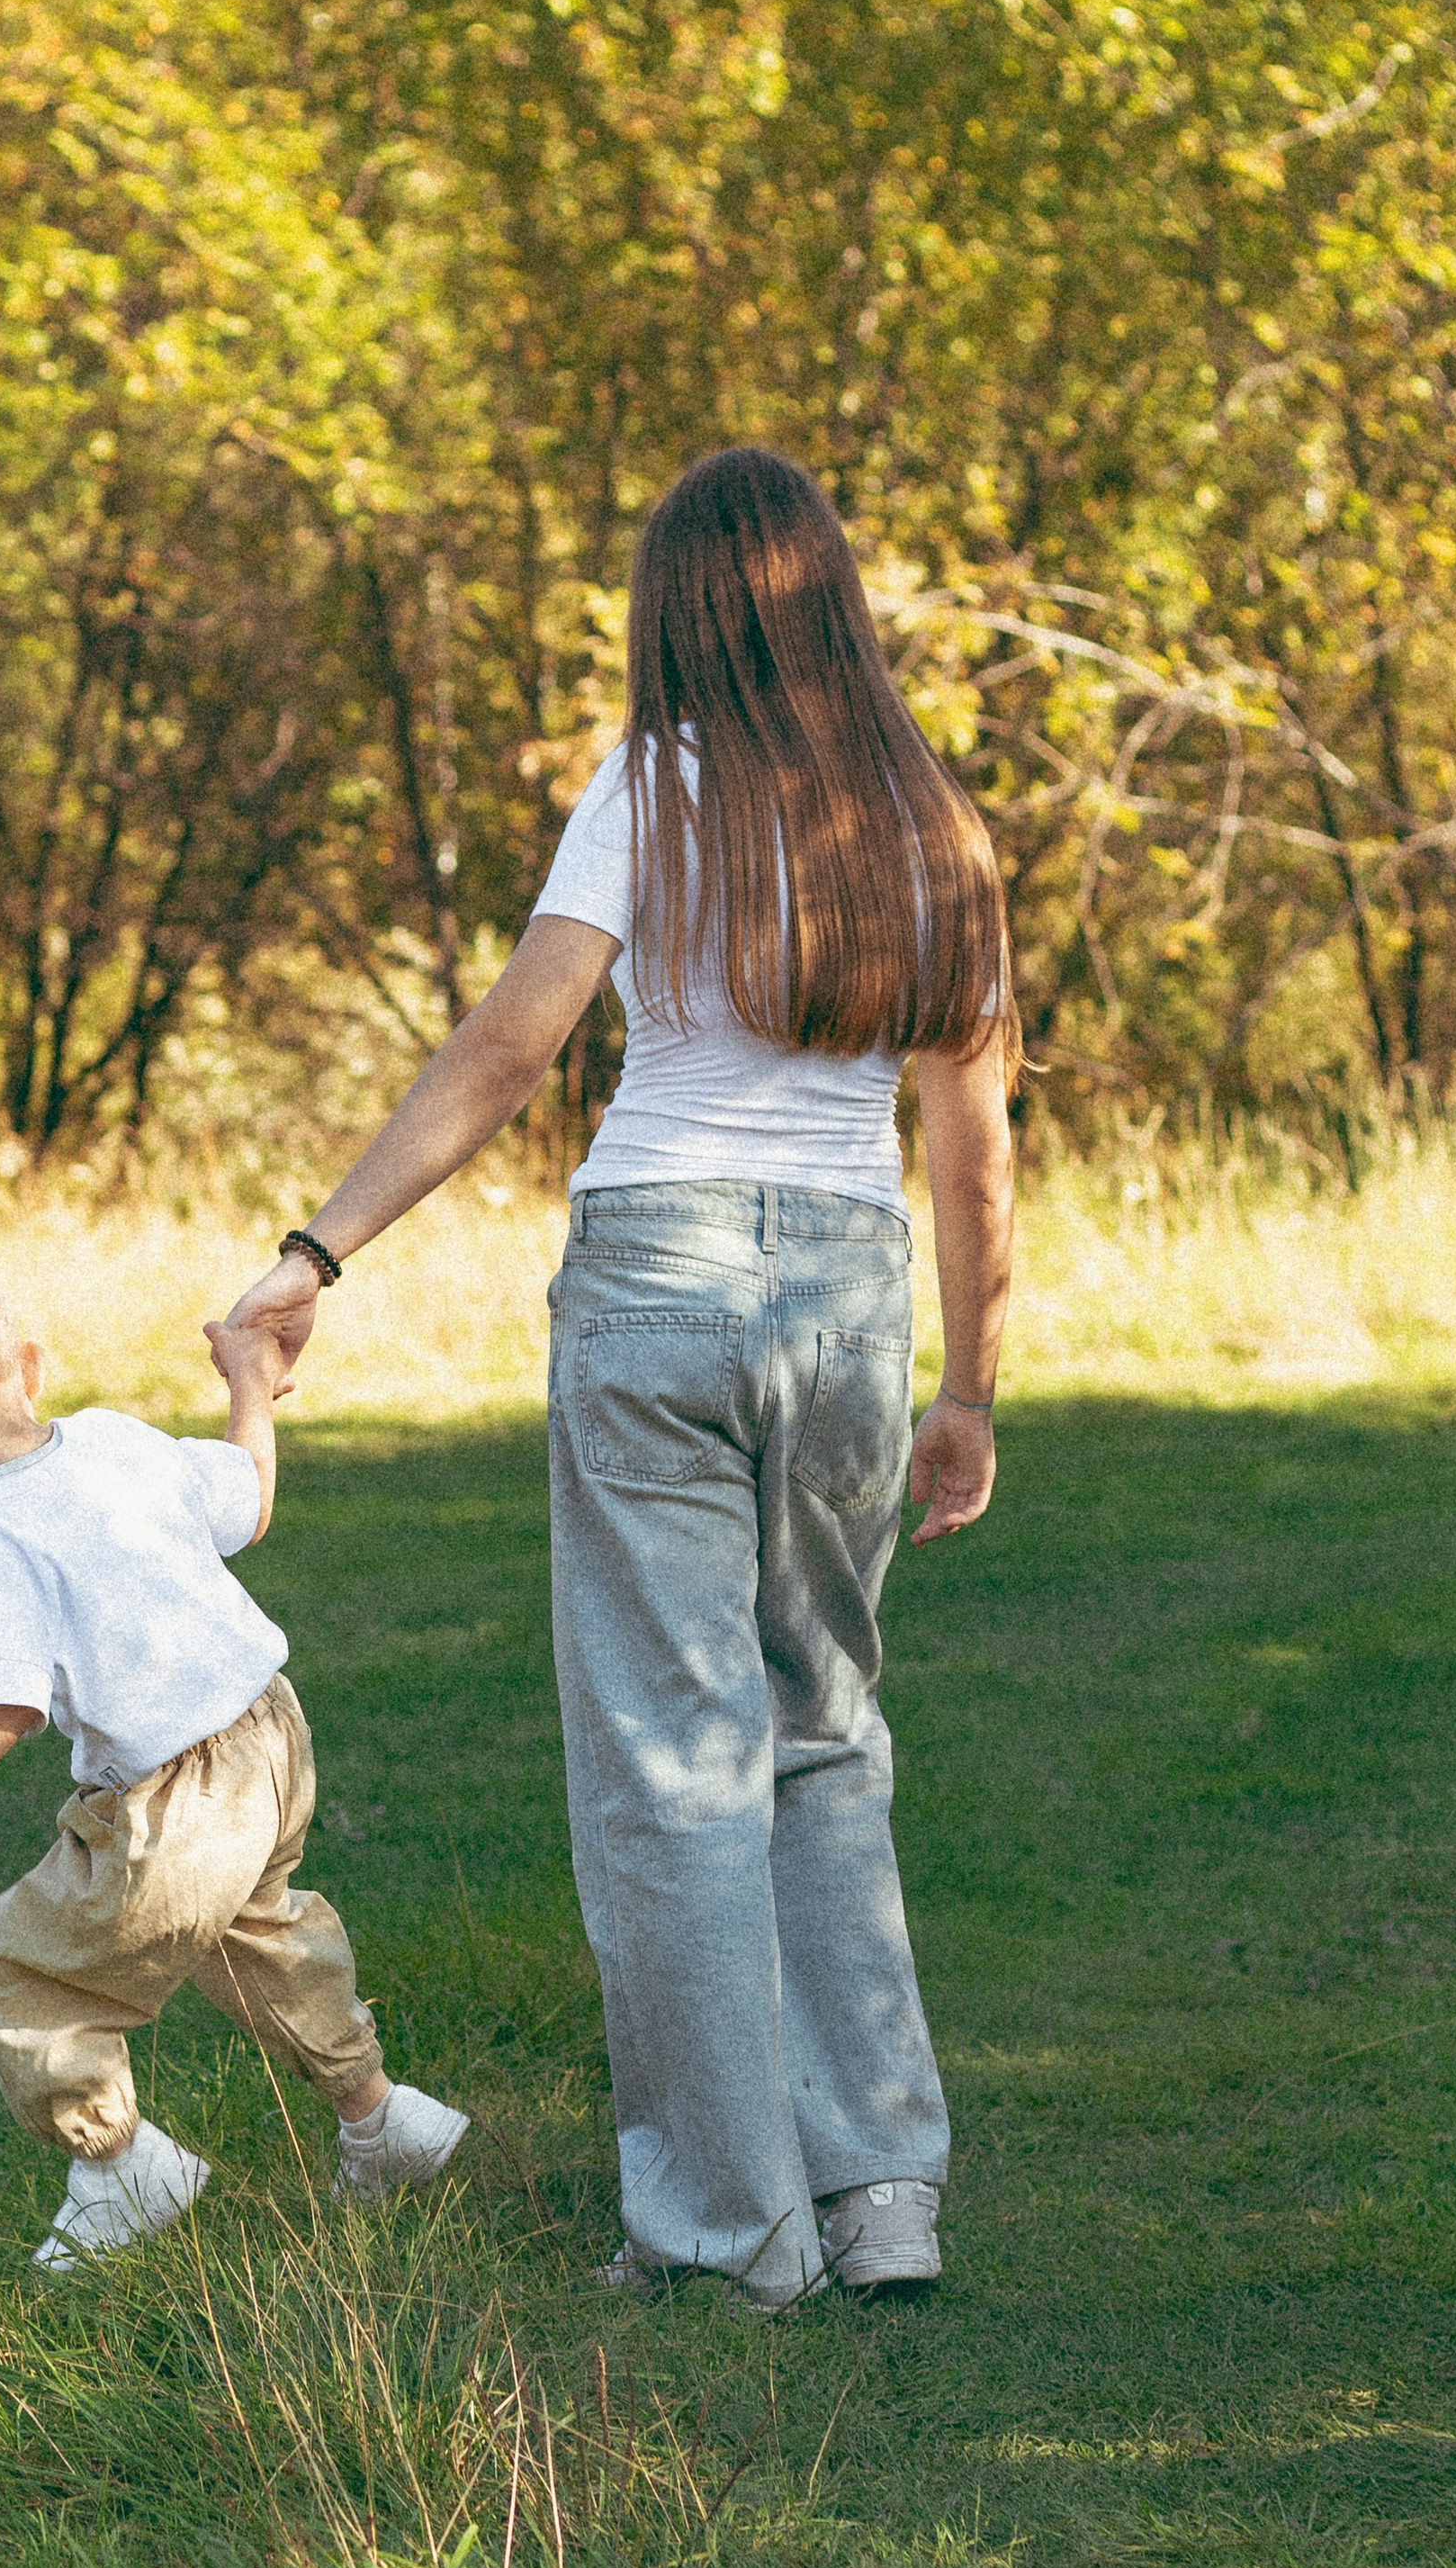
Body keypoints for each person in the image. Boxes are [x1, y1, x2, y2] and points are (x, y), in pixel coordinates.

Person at [220, 448, 1017, 2316]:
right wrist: (968, 1386)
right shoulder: (932, 825)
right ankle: (881, 2190)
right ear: (834, 600)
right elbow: (969, 1149)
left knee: (672, 1763)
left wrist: (311, 1252)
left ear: (675, 611)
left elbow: (512, 1045)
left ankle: (727, 2232)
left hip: (654, 1279)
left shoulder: (650, 790)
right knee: (821, 1733)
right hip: (843, 1302)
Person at [0, 1239, 468, 2268]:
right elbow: (246, 1497)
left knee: (17, 1965)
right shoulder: (115, 1440)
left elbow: (0, 1708)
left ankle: (120, 2165)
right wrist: (250, 1379)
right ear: (27, 1367)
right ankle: (383, 2121)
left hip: (178, 1794)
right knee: (252, 1935)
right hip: (271, 1738)